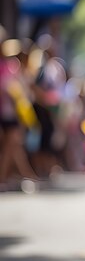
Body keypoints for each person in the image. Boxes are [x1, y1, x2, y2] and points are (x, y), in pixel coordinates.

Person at [0, 52, 39, 188]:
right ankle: (6, 177)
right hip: (8, 113)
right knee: (12, 145)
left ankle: (25, 174)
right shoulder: (8, 68)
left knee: (14, 145)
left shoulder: (11, 67)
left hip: (12, 113)